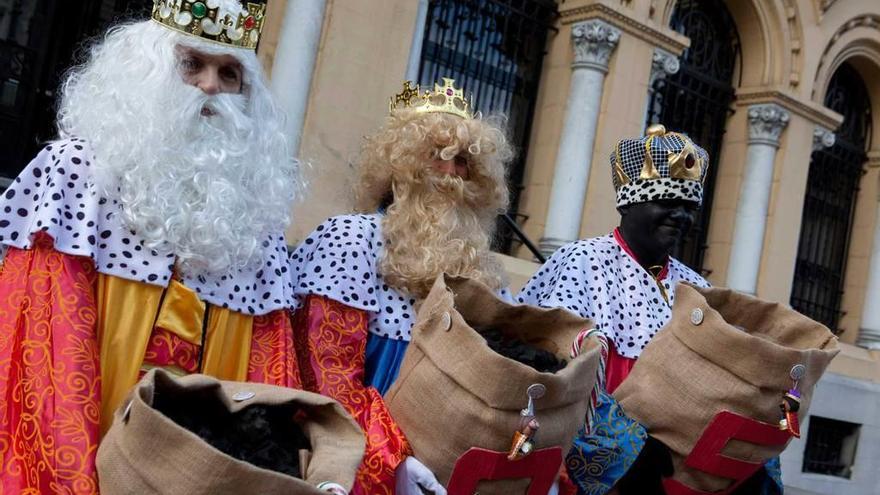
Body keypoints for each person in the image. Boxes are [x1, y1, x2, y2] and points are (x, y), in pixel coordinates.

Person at [0, 1, 300, 492]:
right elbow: (41, 346)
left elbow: (268, 369)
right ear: (148, 70)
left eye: (229, 74)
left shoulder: (256, 218)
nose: (210, 86)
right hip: (79, 454)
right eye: (192, 64)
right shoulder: (77, 172)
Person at [518, 125, 782, 494]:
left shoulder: (697, 287)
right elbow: (551, 367)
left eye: (688, 207)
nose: (680, 216)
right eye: (667, 202)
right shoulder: (580, 261)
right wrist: (630, 449)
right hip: (600, 462)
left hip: (679, 463)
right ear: (629, 202)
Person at [289, 77, 513, 494]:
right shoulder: (351, 239)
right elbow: (325, 377)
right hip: (358, 468)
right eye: (436, 156)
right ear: (399, 164)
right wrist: (392, 462)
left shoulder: (483, 272)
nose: (449, 173)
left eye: (462, 160)